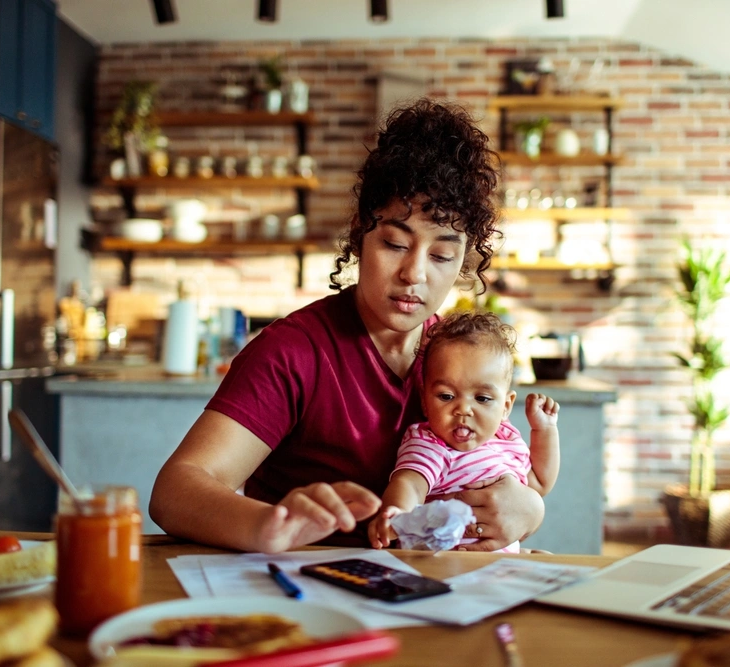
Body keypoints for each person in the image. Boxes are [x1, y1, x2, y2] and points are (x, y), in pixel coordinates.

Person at [149, 98, 546, 553]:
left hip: (438, 591)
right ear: (360, 233)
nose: (414, 274)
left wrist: (530, 509)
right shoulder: (294, 352)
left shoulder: (459, 357)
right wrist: (270, 526)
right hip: (313, 588)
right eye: (395, 244)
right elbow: (176, 492)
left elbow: (500, 467)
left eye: (441, 255)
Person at [368, 310, 560, 553]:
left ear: (506, 406)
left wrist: (544, 430)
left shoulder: (506, 439)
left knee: (549, 561)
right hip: (446, 563)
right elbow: (410, 484)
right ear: (425, 402)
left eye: (482, 398)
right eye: (446, 396)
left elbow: (539, 483)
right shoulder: (431, 443)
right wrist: (396, 513)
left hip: (498, 565)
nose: (463, 409)